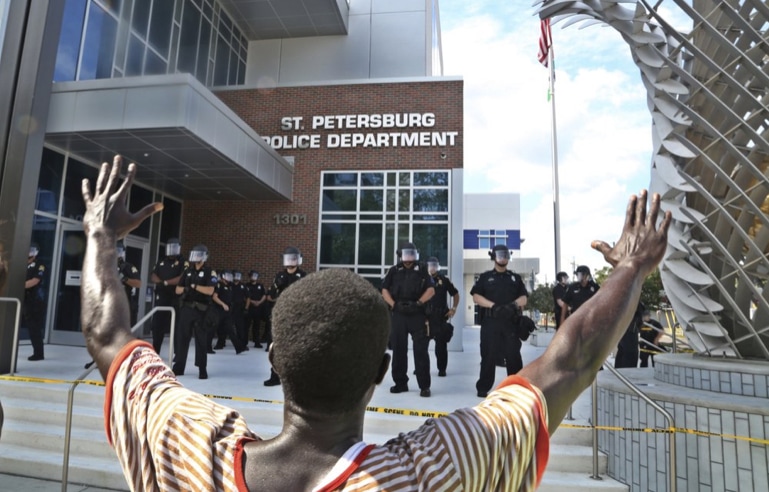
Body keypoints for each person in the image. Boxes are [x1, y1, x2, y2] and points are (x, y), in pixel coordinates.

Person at [79, 157, 670, 490]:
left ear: (276, 362)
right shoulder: (432, 472)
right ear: (380, 371)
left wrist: (100, 237)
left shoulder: (186, 446)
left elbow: (108, 336)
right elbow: (570, 361)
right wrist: (632, 270)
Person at [471, 244, 529, 398]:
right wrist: (493, 306)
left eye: (505, 255)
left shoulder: (515, 278)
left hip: (510, 323)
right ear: (493, 257)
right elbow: (476, 296)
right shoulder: (485, 277)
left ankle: (516, 388)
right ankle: (483, 387)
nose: (503, 258)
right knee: (488, 355)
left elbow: (524, 298)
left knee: (513, 356)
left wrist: (513, 305)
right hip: (491, 322)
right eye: (500, 255)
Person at [381, 242, 435, 397]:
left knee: (421, 351)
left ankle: (424, 386)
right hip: (398, 314)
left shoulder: (422, 269)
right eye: (406, 254)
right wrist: (394, 305)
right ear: (400, 255)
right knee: (398, 350)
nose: (409, 257)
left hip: (417, 313)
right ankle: (400, 383)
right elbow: (384, 289)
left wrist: (418, 303)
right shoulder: (394, 270)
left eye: (412, 253)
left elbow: (431, 290)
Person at [263, 246, 308, 386]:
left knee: (296, 348)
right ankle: (275, 375)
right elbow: (270, 295)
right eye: (288, 258)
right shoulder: (279, 276)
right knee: (276, 347)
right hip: (281, 314)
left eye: (293, 258)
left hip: (296, 316)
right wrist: (277, 287)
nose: (290, 261)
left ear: (298, 260)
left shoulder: (303, 276)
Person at [172, 243, 217, 379]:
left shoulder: (210, 272)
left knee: (201, 341)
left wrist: (194, 286)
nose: (196, 257)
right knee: (182, 339)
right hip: (187, 308)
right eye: (195, 254)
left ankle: (202, 369)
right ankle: (179, 367)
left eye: (199, 255)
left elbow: (210, 290)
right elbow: (177, 289)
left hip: (201, 310)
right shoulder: (188, 271)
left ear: (204, 257)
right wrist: (186, 289)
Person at [149, 238, 186, 354]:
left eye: (174, 248)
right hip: (162, 298)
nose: (172, 250)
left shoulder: (182, 262)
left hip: (176, 298)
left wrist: (166, 282)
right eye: (170, 247)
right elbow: (153, 275)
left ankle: (177, 353)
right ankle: (155, 351)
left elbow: (182, 278)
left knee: (177, 327)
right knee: (157, 326)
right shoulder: (161, 261)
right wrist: (160, 282)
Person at [424, 256, 459, 377]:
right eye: (430, 265)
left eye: (434, 265)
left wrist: (453, 309)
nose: (432, 268)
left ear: (437, 267)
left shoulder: (443, 280)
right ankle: (421, 368)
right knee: (421, 345)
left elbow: (455, 294)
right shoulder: (422, 279)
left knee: (441, 347)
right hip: (426, 318)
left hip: (440, 317)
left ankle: (442, 369)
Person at [212, 269, 248, 354]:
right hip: (219, 310)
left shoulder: (230, 286)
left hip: (227, 311)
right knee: (213, 328)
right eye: (227, 276)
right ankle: (209, 347)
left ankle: (239, 348)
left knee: (230, 329)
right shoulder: (219, 285)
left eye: (230, 276)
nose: (229, 278)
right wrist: (222, 304)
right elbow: (214, 297)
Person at [24, 242, 46, 361]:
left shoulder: (39, 265)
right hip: (22, 299)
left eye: (31, 250)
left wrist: (18, 286)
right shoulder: (21, 263)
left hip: (35, 300)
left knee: (34, 327)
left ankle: (38, 353)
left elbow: (35, 281)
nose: (29, 253)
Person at [116, 241, 141, 328]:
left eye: (118, 251)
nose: (116, 254)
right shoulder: (108, 267)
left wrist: (124, 279)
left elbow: (138, 283)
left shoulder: (128, 267)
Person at [615, 303, 643, 368]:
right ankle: (626, 371)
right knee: (629, 354)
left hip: (624, 329)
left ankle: (619, 370)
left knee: (622, 352)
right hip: (630, 330)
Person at [245, 270, 267, 348]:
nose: (254, 277)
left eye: (255, 276)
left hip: (258, 309)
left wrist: (259, 302)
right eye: (252, 276)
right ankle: (244, 343)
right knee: (246, 326)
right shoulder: (246, 286)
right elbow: (244, 296)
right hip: (249, 308)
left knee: (256, 326)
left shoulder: (260, 286)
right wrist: (252, 301)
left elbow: (264, 295)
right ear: (249, 276)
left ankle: (256, 342)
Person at [231, 270, 250, 347]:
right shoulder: (230, 285)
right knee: (226, 326)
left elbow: (248, 297)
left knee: (240, 328)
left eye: (238, 276)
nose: (237, 278)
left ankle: (242, 344)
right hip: (231, 308)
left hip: (240, 309)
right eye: (235, 276)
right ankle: (221, 343)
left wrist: (246, 308)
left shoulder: (243, 286)